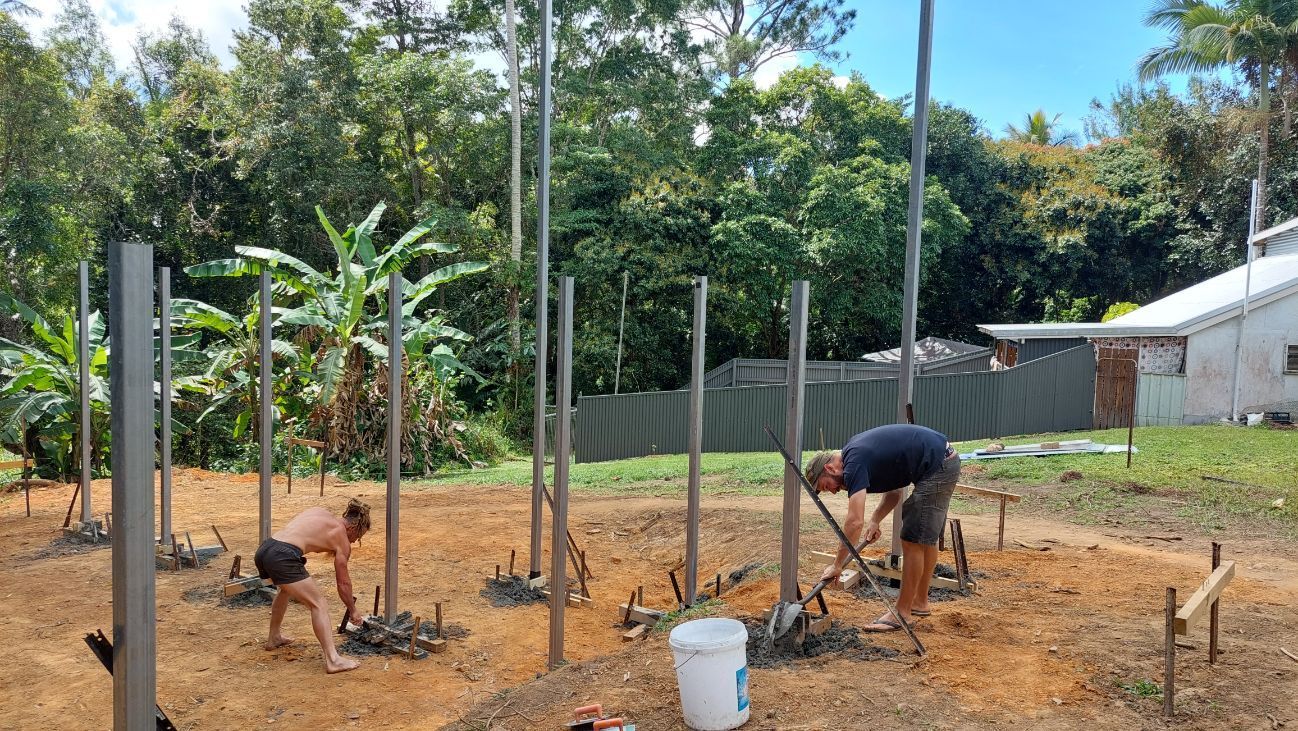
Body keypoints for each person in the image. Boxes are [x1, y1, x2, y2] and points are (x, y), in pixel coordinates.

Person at [804, 424, 960, 632]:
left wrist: (837, 564)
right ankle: (920, 602)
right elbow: (894, 491)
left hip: (936, 466)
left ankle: (902, 613)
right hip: (943, 461)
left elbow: (854, 522)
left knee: (912, 540)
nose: (833, 492)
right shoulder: (856, 455)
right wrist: (876, 520)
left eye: (826, 486)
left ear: (830, 468)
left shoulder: (854, 462)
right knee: (924, 538)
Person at [253, 498, 371, 673]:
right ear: (352, 528)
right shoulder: (341, 538)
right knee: (319, 604)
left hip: (266, 549)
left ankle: (274, 637)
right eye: (358, 536)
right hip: (283, 555)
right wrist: (352, 609)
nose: (354, 541)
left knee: (285, 590)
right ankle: (333, 660)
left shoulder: (320, 512)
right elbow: (343, 582)